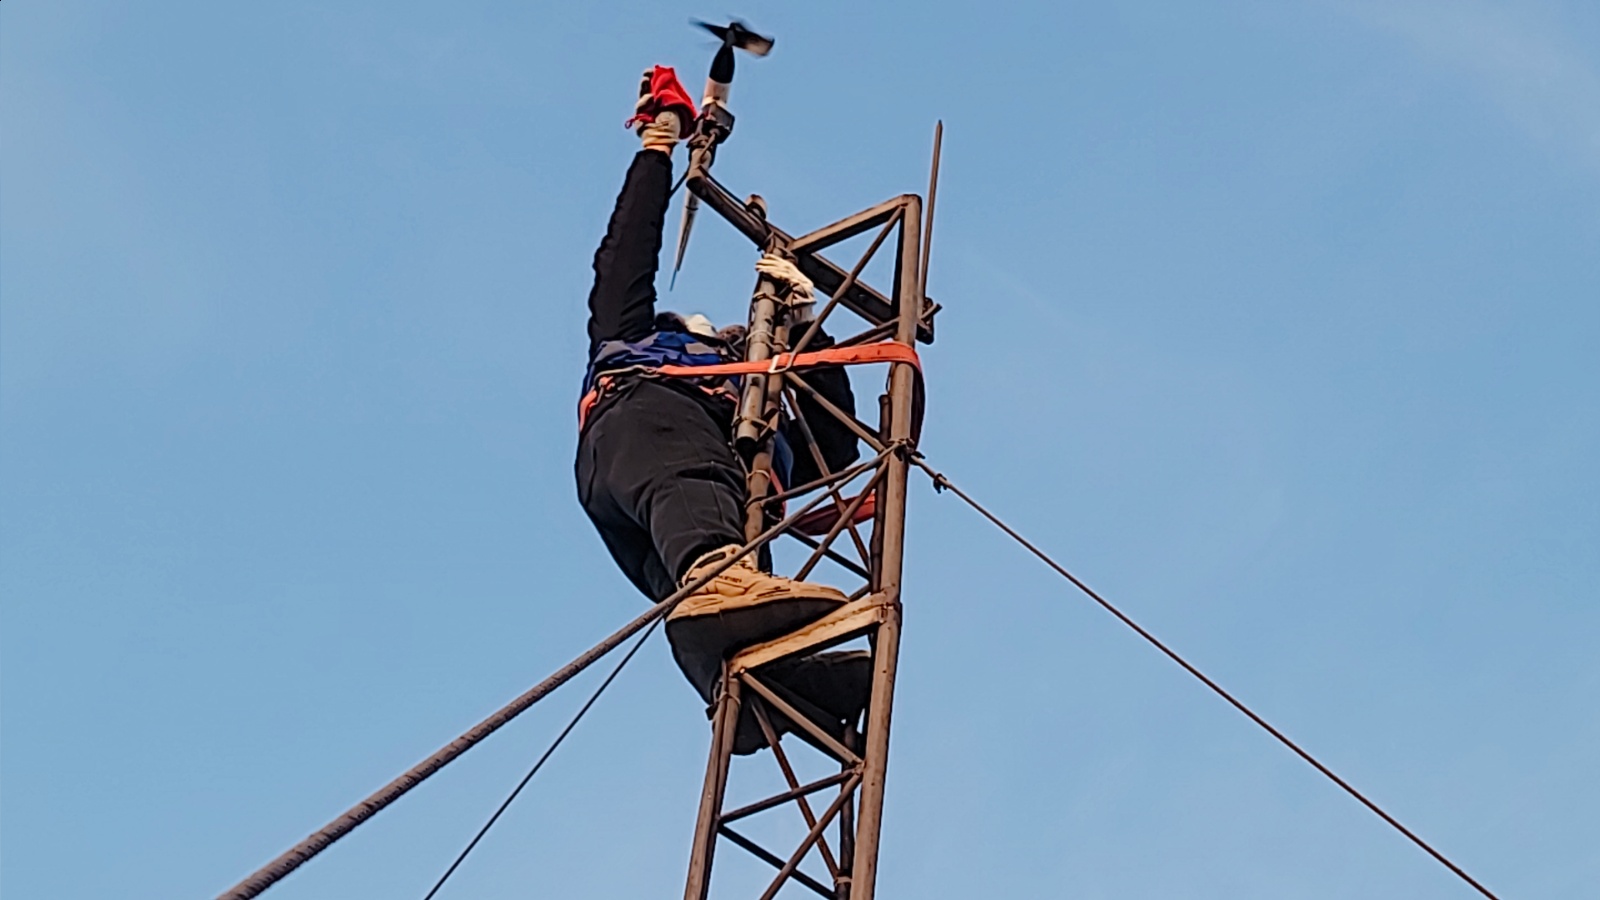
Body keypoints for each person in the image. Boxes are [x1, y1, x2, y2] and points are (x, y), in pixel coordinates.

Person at [575, 67, 870, 751]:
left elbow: (837, 445)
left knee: (689, 583)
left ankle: (748, 683)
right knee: (703, 525)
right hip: (644, 432)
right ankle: (721, 580)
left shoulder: (760, 430)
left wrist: (806, 326)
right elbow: (626, 256)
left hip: (644, 504)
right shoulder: (639, 347)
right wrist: (658, 146)